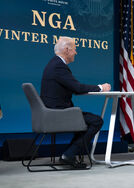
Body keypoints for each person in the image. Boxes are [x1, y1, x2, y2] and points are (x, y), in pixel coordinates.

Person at [40, 36, 111, 168]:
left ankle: (69, 154)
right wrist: (101, 87)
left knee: (86, 121)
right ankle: (69, 154)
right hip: (57, 114)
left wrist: (85, 88)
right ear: (67, 50)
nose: (76, 52)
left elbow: (74, 88)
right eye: (74, 49)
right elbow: (77, 88)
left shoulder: (54, 64)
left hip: (52, 112)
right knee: (96, 121)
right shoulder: (58, 66)